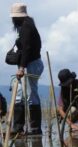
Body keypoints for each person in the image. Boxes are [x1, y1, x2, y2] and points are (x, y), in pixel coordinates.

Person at [9, 3, 44, 134]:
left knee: (30, 95)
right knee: (18, 95)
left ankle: (35, 128)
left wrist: (22, 67)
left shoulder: (27, 27)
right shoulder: (23, 26)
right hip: (25, 65)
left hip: (31, 64)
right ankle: (18, 128)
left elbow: (28, 49)